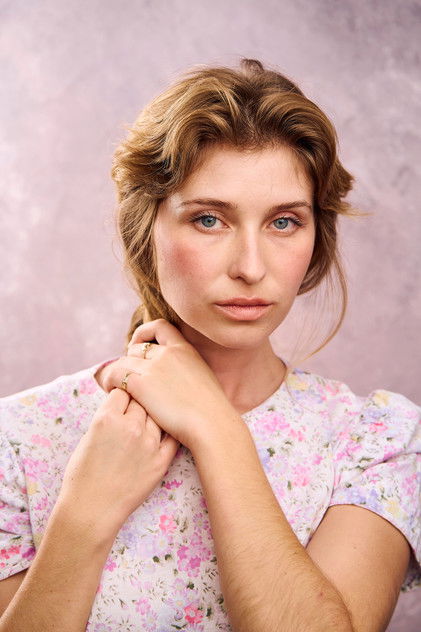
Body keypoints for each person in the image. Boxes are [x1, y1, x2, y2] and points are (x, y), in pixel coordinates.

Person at [0, 58, 419, 632]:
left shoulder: (375, 444)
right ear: (145, 228)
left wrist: (216, 429)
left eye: (283, 222)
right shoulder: (19, 439)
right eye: (208, 220)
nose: (250, 267)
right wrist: (81, 518)